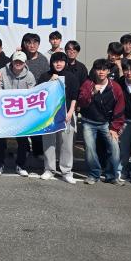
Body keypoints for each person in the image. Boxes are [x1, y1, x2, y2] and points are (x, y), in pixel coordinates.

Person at [77, 59, 126, 185]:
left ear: (108, 71)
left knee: (114, 148)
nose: (101, 72)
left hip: (106, 124)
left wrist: (115, 128)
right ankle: (94, 174)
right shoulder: (88, 84)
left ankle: (112, 176)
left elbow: (119, 109)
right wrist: (92, 93)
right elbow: (81, 102)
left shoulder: (115, 87)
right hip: (88, 122)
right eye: (98, 69)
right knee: (90, 149)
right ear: (94, 70)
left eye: (104, 69)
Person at [0, 51, 36, 176]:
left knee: (23, 140)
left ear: (25, 63)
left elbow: (32, 95)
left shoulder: (30, 76)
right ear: (12, 61)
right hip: (3, 112)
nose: (18, 64)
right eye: (16, 61)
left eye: (21, 62)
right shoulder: (1, 72)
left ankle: (20, 165)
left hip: (22, 113)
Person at [37, 52, 78, 184]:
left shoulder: (71, 77)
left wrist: (70, 112)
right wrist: (50, 81)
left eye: (61, 61)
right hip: (49, 116)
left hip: (66, 114)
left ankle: (66, 171)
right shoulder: (45, 76)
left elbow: (74, 96)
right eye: (55, 61)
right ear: (51, 63)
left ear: (65, 63)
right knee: (49, 142)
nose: (58, 64)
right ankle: (49, 169)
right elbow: (39, 93)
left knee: (66, 143)